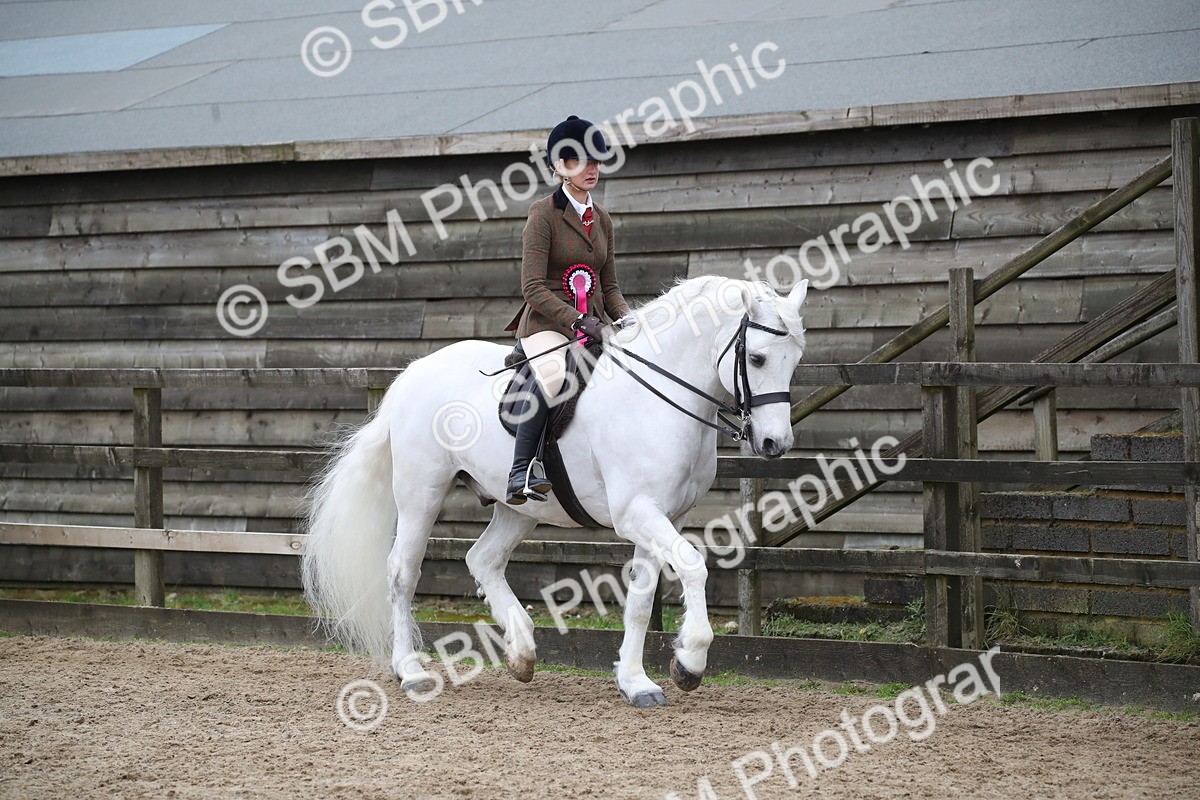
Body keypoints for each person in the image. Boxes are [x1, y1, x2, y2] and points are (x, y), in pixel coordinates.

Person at [503, 115, 631, 505]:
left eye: (595, 160)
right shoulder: (543, 215)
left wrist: (629, 321)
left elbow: (609, 287)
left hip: (593, 325)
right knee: (555, 375)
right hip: (547, 323)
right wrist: (575, 319)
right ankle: (521, 468)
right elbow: (532, 287)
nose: (590, 168)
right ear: (558, 168)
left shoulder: (602, 218)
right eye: (578, 161)